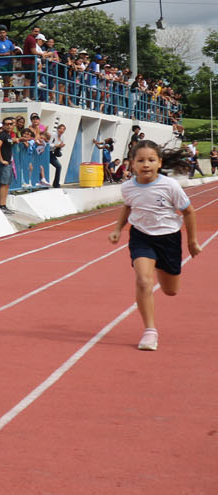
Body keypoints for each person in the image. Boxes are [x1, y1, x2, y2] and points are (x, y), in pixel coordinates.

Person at [108, 140, 200, 352]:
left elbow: (188, 212)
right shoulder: (128, 187)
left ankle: (158, 265)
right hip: (141, 236)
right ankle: (150, 331)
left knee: (171, 290)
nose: (146, 164)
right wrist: (117, 229)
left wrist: (192, 242)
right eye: (140, 160)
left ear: (159, 162)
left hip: (168, 239)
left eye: (151, 160)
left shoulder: (170, 186)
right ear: (132, 164)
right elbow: (128, 206)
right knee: (143, 281)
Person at [0, 117, 15, 211]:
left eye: (11, 124)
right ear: (3, 125)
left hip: (8, 162)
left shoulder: (8, 136)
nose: (9, 126)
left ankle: (4, 204)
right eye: (7, 124)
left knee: (7, 184)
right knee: (3, 184)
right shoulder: (2, 135)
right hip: (3, 163)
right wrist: (1, 160)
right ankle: (1, 205)